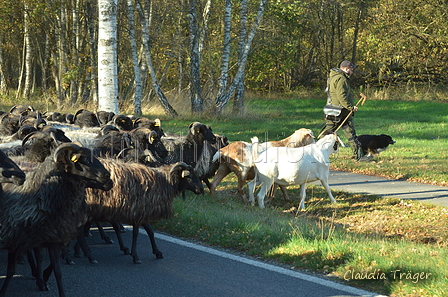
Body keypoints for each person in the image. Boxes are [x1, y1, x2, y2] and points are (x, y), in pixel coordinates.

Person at [321, 60, 371, 162]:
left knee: (350, 133)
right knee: (326, 134)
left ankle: (359, 156)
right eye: (351, 70)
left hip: (337, 110)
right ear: (346, 68)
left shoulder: (334, 77)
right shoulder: (341, 79)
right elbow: (341, 96)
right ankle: (312, 151)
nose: (352, 72)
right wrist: (350, 107)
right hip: (338, 111)